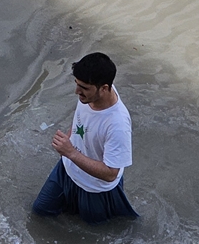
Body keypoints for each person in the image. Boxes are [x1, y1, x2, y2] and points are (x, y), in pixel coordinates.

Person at [32, 52, 138, 224]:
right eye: (76, 84)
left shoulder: (117, 125)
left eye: (84, 88)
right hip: (67, 169)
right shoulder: (90, 94)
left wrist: (71, 152)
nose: (76, 91)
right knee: (40, 211)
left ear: (104, 88)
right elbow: (83, 120)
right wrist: (69, 140)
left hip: (95, 189)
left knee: (93, 234)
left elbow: (111, 173)